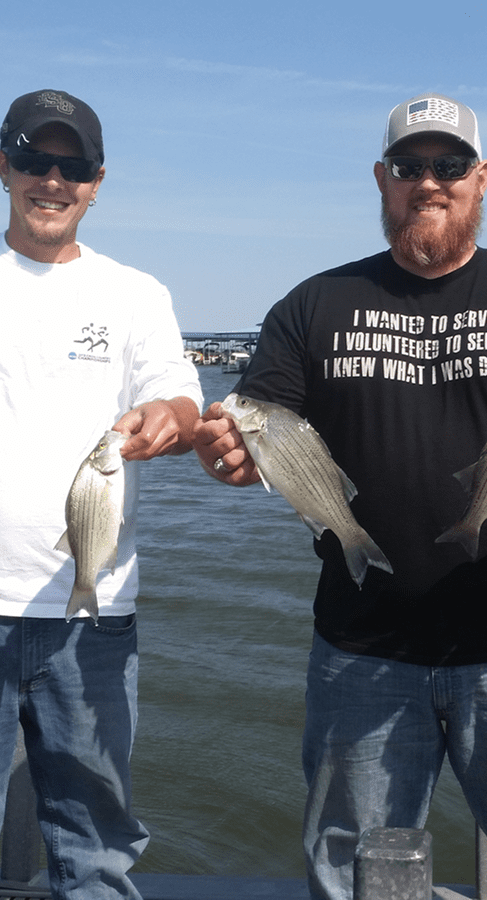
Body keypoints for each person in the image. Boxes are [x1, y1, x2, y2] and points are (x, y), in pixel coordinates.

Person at [193, 92, 487, 900]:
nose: (428, 181)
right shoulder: (311, 305)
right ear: (382, 179)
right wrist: (229, 453)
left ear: (482, 178)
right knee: (352, 880)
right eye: (409, 166)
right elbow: (259, 425)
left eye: (449, 165)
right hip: (362, 651)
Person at [0, 89, 202, 900]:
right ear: (3, 166)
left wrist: (169, 420)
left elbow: (181, 401)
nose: (52, 179)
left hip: (93, 617)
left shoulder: (134, 294)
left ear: (97, 182)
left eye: (73, 165)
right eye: (34, 159)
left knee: (95, 847)